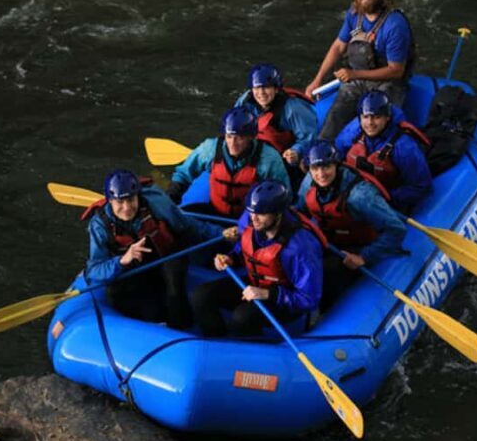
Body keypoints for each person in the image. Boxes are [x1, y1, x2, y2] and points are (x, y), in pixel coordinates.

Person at [83, 169, 228, 329]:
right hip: (135, 269)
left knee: (174, 289)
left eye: (131, 200)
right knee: (119, 296)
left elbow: (188, 225)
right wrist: (122, 260)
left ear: (137, 195)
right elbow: (94, 271)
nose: (126, 208)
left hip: (167, 257)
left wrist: (221, 234)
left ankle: (181, 326)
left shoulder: (155, 202)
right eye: (120, 202)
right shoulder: (99, 226)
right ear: (110, 201)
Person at [191, 181, 325, 337]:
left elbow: (309, 299)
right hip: (255, 283)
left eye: (261, 213)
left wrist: (268, 294)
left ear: (278, 213)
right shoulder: (251, 219)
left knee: (242, 317)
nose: (253, 218)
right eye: (251, 212)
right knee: (200, 295)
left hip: (283, 299)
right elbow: (243, 247)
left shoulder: (300, 248)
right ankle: (217, 342)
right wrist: (231, 258)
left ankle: (254, 353)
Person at [304, 0, 415, 142]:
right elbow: (339, 46)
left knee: (378, 124)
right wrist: (317, 80)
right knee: (336, 114)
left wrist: (354, 74)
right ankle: (323, 152)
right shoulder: (355, 15)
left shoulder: (394, 25)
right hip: (359, 79)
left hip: (388, 83)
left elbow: (396, 70)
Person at [296, 140, 408, 306]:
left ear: (336, 165)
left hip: (362, 247)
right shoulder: (309, 183)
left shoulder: (360, 196)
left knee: (329, 271)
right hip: (331, 242)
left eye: (326, 167)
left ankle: (327, 311)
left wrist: (364, 256)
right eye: (315, 168)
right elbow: (299, 212)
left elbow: (397, 229)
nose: (321, 174)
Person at [166, 107, 291, 217]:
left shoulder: (268, 159)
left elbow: (283, 197)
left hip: (250, 218)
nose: (232, 143)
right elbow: (183, 175)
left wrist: (247, 225)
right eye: (229, 136)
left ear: (251, 137)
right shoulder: (210, 149)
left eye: (239, 138)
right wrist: (171, 197)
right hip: (215, 210)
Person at [335, 90, 432, 212]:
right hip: (353, 188)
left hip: (384, 198)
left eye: (377, 117)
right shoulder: (353, 131)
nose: (370, 123)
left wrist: (388, 198)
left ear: (387, 118)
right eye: (365, 117)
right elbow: (337, 154)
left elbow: (420, 186)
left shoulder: (404, 147)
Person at [235, 63, 318, 164]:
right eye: (257, 88)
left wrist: (296, 151)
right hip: (257, 150)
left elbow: (309, 137)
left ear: (276, 89)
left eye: (266, 87)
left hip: (283, 155)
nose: (261, 93)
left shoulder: (294, 108)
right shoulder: (245, 101)